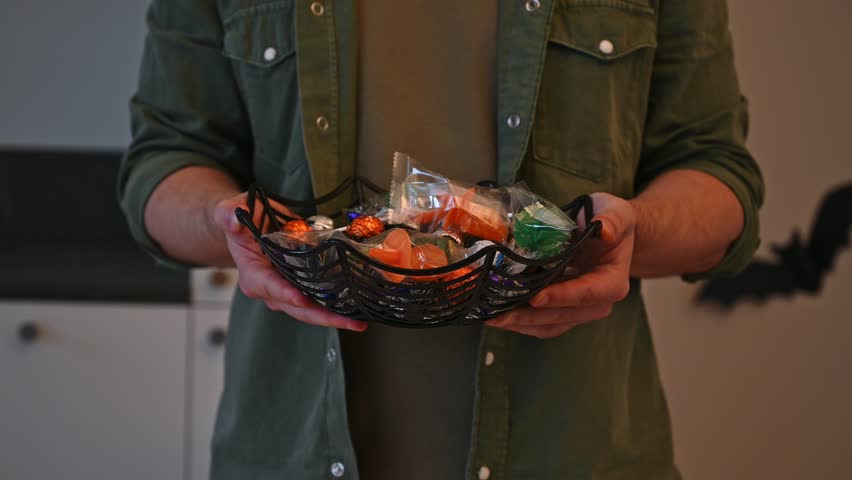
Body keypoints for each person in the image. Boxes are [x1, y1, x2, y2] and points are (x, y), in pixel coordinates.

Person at [119, 1, 763, 478]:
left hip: (576, 448)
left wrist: (628, 232)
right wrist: (228, 222)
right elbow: (162, 165)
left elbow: (717, 174)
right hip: (289, 450)